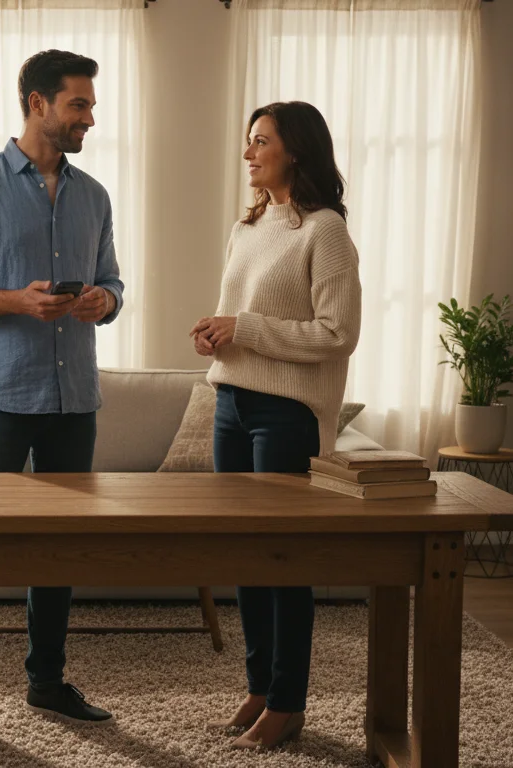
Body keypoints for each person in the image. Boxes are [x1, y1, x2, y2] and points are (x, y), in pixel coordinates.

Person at [0, 49, 125, 760]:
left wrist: (104, 301)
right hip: (1, 400)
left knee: (60, 548)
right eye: (79, 104)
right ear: (37, 103)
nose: (90, 118)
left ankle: (48, 681)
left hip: (77, 401)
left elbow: (113, 283)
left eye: (90, 105)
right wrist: (15, 300)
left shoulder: (94, 196)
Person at [191, 101, 362, 751]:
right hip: (230, 403)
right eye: (248, 140)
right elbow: (238, 310)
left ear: (296, 149)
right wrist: (216, 331)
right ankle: (261, 688)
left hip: (284, 413)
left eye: (260, 141)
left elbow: (338, 334)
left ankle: (289, 704)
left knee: (284, 560)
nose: (248, 153)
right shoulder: (247, 226)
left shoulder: (325, 232)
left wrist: (246, 328)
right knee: (246, 558)